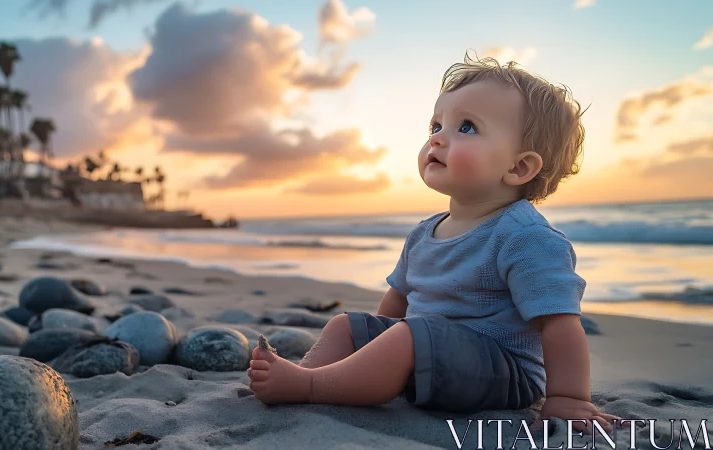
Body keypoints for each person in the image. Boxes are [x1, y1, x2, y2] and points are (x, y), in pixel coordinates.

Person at [246, 54, 622, 432]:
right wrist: (371, 346)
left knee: (409, 335)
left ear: (519, 168)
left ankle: (310, 386)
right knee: (346, 325)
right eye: (437, 124)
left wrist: (569, 397)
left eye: (468, 127)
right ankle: (312, 375)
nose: (438, 137)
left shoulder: (526, 237)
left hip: (502, 373)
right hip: (426, 353)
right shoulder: (425, 232)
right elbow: (396, 304)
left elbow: (560, 323)